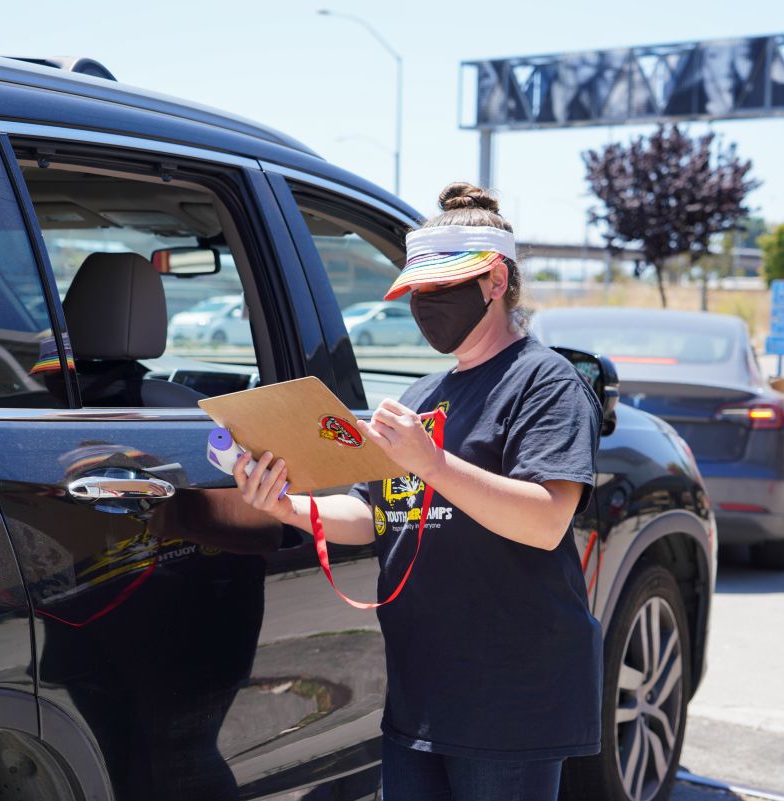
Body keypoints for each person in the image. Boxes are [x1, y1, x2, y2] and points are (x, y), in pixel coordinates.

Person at [233, 182, 602, 800]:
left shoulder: (545, 382)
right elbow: (374, 513)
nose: (424, 305)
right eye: (416, 292)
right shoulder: (421, 396)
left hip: (510, 701)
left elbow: (545, 523)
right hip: (420, 696)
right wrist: (287, 506)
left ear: (494, 281)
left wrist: (431, 462)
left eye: (440, 288)